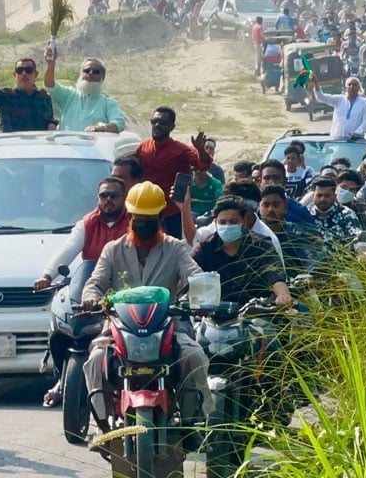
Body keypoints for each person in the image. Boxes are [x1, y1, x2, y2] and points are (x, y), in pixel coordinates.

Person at [80, 182, 210, 438]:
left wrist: (202, 296)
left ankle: (198, 420)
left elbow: (195, 276)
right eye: (138, 218)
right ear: (129, 217)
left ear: (160, 218)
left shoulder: (175, 248)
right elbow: (95, 283)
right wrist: (91, 298)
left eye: (149, 219)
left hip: (169, 326)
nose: (142, 223)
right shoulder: (113, 249)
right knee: (95, 361)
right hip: (120, 327)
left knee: (195, 356)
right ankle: (103, 423)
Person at [34, 176, 132, 408]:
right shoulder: (87, 223)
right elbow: (69, 248)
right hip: (90, 290)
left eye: (114, 196)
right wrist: (47, 275)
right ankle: (61, 379)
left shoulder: (133, 221)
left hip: (122, 290)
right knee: (60, 323)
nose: (108, 200)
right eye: (103, 196)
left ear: (124, 198)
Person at [192, 196, 293, 306]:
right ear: (215, 223)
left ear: (244, 221)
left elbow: (274, 273)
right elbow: (190, 273)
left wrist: (283, 295)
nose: (227, 226)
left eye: (233, 222)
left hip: (255, 315)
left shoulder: (261, 245)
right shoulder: (205, 248)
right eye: (223, 222)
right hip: (212, 314)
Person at [133, 106, 212, 239]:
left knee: (170, 252)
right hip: (145, 211)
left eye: (162, 123)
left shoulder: (181, 150)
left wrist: (201, 150)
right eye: (154, 121)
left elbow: (203, 164)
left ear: (172, 127)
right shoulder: (143, 147)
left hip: (170, 213)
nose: (157, 125)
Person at [0, 50, 54, 132]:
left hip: (40, 145)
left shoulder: (44, 96)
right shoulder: (6, 96)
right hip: (11, 145)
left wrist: (52, 126)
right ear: (15, 75)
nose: (24, 74)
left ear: (36, 74)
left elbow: (51, 120)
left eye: (28, 70)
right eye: (19, 70)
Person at [43, 54, 125, 132]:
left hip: (96, 146)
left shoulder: (108, 103)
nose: (90, 74)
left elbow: (119, 123)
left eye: (96, 71)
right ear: (80, 74)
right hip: (66, 146)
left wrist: (102, 128)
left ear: (102, 77)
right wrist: (51, 64)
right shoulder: (69, 96)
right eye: (86, 70)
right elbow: (50, 85)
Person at [311, 75, 366, 140]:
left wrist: (357, 133)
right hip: (336, 139)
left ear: (358, 87)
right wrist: (315, 83)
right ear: (346, 87)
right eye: (349, 85)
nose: (352, 86)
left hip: (355, 141)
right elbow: (321, 97)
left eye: (354, 85)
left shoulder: (364, 103)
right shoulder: (339, 99)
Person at [256, 159, 316, 226]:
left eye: (276, 178)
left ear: (285, 181)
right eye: (267, 178)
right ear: (260, 182)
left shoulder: (299, 212)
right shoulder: (252, 211)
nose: (271, 182)